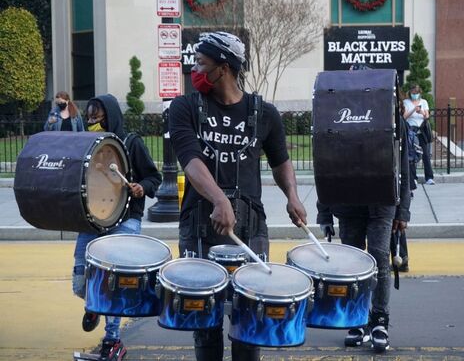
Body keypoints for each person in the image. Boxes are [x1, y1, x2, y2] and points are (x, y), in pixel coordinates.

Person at [169, 31, 307, 361]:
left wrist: (293, 196)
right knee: (205, 322)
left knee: (250, 319)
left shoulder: (265, 113)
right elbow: (191, 161)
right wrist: (218, 199)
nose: (195, 70)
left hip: (250, 227)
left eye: (202, 63)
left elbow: (281, 161)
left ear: (225, 66)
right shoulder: (184, 107)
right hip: (199, 226)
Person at [317, 89, 411, 353]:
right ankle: (358, 319)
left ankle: (379, 321)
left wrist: (403, 210)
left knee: (380, 257)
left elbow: (404, 166)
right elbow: (326, 164)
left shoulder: (393, 120)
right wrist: (324, 212)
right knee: (353, 265)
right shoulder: (337, 119)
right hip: (349, 202)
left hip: (382, 201)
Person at [72, 94, 162, 361]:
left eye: (96, 117)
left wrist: (141, 187)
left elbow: (153, 177)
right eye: (89, 117)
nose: (91, 122)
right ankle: (95, 304)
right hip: (93, 221)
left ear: (110, 116)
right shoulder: (89, 145)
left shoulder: (131, 144)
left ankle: (113, 341)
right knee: (80, 283)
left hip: (125, 220)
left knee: (113, 287)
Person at [403, 84, 434, 185]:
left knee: (425, 155)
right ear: (410, 93)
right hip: (411, 131)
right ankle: (413, 178)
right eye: (413, 93)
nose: (415, 95)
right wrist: (413, 110)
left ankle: (429, 177)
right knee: (412, 155)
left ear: (420, 93)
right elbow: (404, 116)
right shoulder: (406, 102)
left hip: (422, 131)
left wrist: (421, 111)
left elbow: (427, 116)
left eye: (416, 93)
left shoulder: (424, 102)